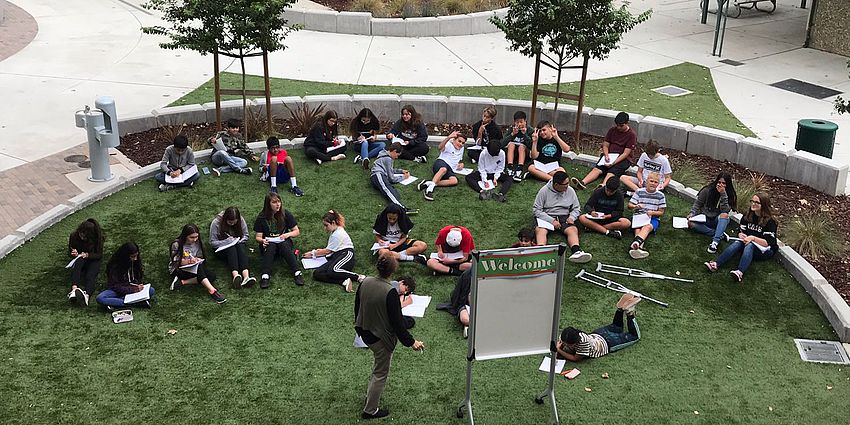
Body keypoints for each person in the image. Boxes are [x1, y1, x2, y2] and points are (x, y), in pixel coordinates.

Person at [354, 254, 425, 420]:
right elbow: (397, 323)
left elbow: (357, 308)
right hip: (380, 338)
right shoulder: (391, 292)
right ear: (394, 271)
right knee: (380, 373)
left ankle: (370, 396)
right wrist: (411, 342)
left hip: (364, 332)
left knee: (377, 368)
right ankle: (370, 409)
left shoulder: (365, 282)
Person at [704, 192, 778, 282]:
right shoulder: (747, 216)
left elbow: (769, 243)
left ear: (764, 204)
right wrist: (740, 234)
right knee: (738, 242)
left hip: (764, 250)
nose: (753, 204)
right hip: (747, 243)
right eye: (752, 201)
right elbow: (741, 230)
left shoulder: (770, 221)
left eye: (757, 202)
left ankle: (739, 272)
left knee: (750, 245)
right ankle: (716, 264)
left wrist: (752, 238)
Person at [555, 294, 642, 362]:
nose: (566, 345)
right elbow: (558, 355)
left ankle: (629, 312)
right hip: (599, 333)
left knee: (635, 336)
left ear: (576, 341)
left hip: (608, 343)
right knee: (617, 326)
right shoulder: (566, 335)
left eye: (569, 345)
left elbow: (575, 359)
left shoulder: (583, 343)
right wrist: (558, 350)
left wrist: (558, 349)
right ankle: (620, 309)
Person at [532, 171, 592, 263]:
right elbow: (537, 210)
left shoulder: (570, 190)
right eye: (565, 184)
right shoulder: (544, 191)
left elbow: (576, 208)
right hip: (547, 216)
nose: (567, 186)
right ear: (556, 184)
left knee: (572, 230)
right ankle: (541, 251)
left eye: (568, 183)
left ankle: (577, 251)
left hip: (564, 216)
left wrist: (572, 217)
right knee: (540, 230)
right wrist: (551, 221)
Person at [303, 210, 365, 292]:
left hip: (346, 254)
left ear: (333, 223)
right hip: (336, 256)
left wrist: (312, 253)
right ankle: (343, 281)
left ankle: (358, 277)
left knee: (333, 270)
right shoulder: (334, 231)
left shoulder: (338, 234)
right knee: (317, 273)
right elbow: (329, 250)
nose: (325, 228)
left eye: (326, 225)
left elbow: (327, 251)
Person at [254, 192, 304, 289]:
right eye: (274, 202)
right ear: (268, 205)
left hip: (283, 242)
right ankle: (265, 276)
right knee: (271, 246)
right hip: (269, 244)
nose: (278, 204)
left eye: (279, 202)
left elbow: (296, 231)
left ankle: (297, 272)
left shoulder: (285, 214)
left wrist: (287, 235)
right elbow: (258, 237)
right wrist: (262, 241)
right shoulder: (262, 217)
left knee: (284, 245)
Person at [575, 112, 636, 189]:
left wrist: (614, 162)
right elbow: (605, 145)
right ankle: (583, 182)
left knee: (612, 172)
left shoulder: (631, 135)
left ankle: (603, 186)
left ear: (627, 123)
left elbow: (626, 153)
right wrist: (606, 155)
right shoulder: (612, 130)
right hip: (610, 155)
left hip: (623, 159)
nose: (619, 128)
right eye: (617, 125)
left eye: (621, 126)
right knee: (598, 168)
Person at [169, 224, 227, 304]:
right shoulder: (176, 244)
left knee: (211, 276)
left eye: (196, 237)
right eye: (192, 237)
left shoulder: (197, 242)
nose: (195, 239)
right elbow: (176, 262)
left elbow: (199, 255)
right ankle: (212, 291)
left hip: (193, 268)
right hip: (179, 269)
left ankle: (182, 282)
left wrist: (197, 259)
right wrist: (189, 261)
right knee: (200, 268)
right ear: (185, 236)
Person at [95, 242, 155, 309]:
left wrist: (138, 286)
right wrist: (132, 289)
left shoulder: (135, 263)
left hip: (131, 289)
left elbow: (136, 278)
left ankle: (118, 303)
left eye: (136, 256)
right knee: (100, 298)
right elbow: (115, 286)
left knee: (151, 290)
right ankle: (134, 303)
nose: (135, 259)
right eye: (133, 257)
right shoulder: (115, 265)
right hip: (117, 290)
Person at [689, 173, 737, 253]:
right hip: (705, 218)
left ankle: (715, 243)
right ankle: (718, 233)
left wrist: (723, 194)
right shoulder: (707, 190)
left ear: (727, 185)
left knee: (725, 215)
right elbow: (698, 203)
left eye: (723, 183)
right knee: (691, 223)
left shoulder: (729, 194)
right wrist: (692, 213)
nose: (720, 185)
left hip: (718, 220)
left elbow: (725, 210)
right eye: (719, 182)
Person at [210, 207, 256, 289]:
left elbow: (246, 235)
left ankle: (246, 276)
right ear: (225, 219)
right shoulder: (216, 223)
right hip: (222, 248)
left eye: (234, 222)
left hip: (237, 244)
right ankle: (235, 276)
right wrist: (227, 241)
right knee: (231, 248)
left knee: (239, 246)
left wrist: (239, 240)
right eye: (230, 222)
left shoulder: (241, 220)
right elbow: (213, 242)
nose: (232, 224)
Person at [626, 172, 666, 259]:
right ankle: (638, 247)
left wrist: (652, 212)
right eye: (651, 181)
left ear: (658, 184)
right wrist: (636, 206)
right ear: (646, 181)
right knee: (638, 228)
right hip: (639, 216)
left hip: (653, 218)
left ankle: (635, 244)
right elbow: (629, 206)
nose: (653, 183)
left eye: (655, 182)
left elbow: (661, 212)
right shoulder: (639, 192)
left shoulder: (660, 196)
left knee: (646, 227)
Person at [416, 131, 465, 202]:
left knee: (454, 181)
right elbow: (439, 147)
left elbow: (458, 160)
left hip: (450, 169)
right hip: (440, 163)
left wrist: (461, 164)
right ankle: (429, 191)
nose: (460, 144)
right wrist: (449, 137)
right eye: (459, 141)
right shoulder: (448, 144)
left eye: (463, 143)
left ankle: (428, 183)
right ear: (454, 140)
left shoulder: (462, 149)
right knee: (443, 169)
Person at [370, 142, 417, 214]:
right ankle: (402, 209)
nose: (397, 157)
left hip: (380, 176)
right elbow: (391, 178)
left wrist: (401, 171)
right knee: (387, 189)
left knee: (393, 192)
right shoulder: (388, 159)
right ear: (394, 151)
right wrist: (403, 177)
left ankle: (398, 205)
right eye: (397, 155)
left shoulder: (386, 156)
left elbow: (390, 170)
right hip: (378, 175)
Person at [66, 218, 104, 307]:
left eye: (85, 236)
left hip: (93, 259)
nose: (82, 237)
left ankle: (87, 295)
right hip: (80, 258)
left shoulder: (98, 238)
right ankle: (74, 289)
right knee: (77, 267)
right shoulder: (74, 236)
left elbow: (99, 255)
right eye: (81, 235)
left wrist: (87, 255)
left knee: (90, 275)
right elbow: (70, 251)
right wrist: (73, 253)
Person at [466, 138, 512, 203]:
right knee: (468, 177)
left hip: (495, 173)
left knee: (509, 178)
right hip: (485, 172)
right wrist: (484, 180)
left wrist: (495, 178)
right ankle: (482, 191)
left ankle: (501, 194)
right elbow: (481, 168)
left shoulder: (502, 153)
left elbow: (500, 168)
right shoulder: (483, 153)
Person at [502, 111, 532, 182]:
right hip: (513, 153)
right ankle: (510, 166)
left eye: (521, 122)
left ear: (525, 122)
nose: (519, 124)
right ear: (514, 122)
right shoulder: (511, 129)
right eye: (517, 122)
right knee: (511, 144)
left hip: (525, 153)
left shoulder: (530, 130)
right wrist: (512, 134)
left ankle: (520, 168)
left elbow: (532, 146)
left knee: (522, 146)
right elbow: (502, 143)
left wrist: (525, 135)